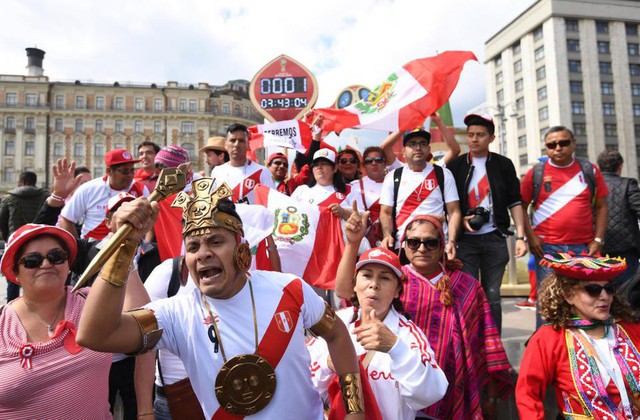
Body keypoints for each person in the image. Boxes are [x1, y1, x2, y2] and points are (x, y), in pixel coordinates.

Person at [76, 178, 366, 419]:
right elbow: (96, 335)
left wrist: (354, 410)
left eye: (216, 242)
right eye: (193, 246)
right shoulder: (175, 314)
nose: (203, 253)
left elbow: (338, 335)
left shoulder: (291, 289)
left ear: (241, 249)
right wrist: (125, 248)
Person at [338, 214, 513, 419]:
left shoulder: (467, 287)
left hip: (454, 388)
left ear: (441, 246)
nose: (421, 248)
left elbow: (485, 340)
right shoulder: (393, 279)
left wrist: (490, 397)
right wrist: (353, 242)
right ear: (403, 245)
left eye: (430, 242)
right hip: (399, 385)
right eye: (413, 242)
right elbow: (345, 291)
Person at [0, 207, 153, 417]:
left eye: (56, 256)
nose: (46, 264)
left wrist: (125, 244)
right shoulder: (2, 325)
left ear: (68, 265)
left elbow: (142, 317)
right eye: (32, 261)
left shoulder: (91, 302)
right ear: (15, 273)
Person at [309, 205, 448, 419]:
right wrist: (328, 363)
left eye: (384, 278)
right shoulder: (336, 324)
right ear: (354, 284)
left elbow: (432, 392)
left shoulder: (407, 335)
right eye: (366, 276)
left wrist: (394, 347)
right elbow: (303, 384)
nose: (374, 285)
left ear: (397, 291)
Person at [515, 252, 639, 418]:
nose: (604, 297)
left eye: (609, 289)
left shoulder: (630, 330)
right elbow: (528, 395)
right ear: (568, 295)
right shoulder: (549, 338)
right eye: (593, 290)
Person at [447, 113, 528, 332]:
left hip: (495, 237)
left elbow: (515, 201)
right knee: (468, 295)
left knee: (492, 296)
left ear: (491, 138)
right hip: (466, 242)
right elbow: (449, 204)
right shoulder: (457, 166)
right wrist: (459, 220)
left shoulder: (503, 165)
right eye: (471, 135)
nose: (474, 139)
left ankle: (495, 350)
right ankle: (472, 346)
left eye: (480, 135)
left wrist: (521, 236)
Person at [521, 126, 609, 327]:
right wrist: (531, 237)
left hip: (583, 247)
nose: (557, 148)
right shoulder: (536, 173)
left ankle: (582, 348)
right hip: (546, 248)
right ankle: (546, 347)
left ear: (573, 143)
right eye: (551, 145)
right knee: (548, 302)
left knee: (584, 300)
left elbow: (602, 206)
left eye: (563, 143)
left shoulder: (589, 170)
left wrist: (598, 239)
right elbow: (521, 207)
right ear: (546, 148)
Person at [379, 129, 461, 260]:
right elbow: (385, 212)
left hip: (436, 244)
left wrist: (451, 241)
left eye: (422, 143)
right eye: (412, 144)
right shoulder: (394, 176)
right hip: (404, 245)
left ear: (429, 149)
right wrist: (387, 235)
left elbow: (454, 211)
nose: (418, 147)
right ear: (403, 151)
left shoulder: (443, 174)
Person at [59, 148, 146, 240]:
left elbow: (150, 223)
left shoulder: (141, 189)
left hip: (129, 249)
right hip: (93, 249)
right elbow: (66, 220)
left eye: (132, 170)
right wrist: (78, 248)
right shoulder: (88, 189)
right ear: (109, 171)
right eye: (125, 171)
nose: (130, 175)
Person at [0, 171, 48, 302]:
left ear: (23, 182)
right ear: (34, 181)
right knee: (40, 272)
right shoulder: (45, 196)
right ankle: (39, 302)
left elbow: (2, 222)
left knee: (14, 276)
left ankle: (12, 306)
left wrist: (7, 238)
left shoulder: (9, 198)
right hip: (40, 241)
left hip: (16, 242)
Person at [597, 150, 640, 285]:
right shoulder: (628, 184)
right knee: (627, 293)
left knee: (601, 291)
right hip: (625, 249)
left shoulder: (592, 186)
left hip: (597, 248)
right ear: (620, 166)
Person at [211, 123, 275, 204]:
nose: (236, 145)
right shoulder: (217, 171)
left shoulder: (262, 172)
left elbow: (272, 203)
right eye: (232, 140)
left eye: (241, 141)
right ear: (226, 145)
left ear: (248, 145)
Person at [292, 148, 357, 220]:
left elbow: (362, 216)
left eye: (324, 164)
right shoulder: (301, 190)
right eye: (316, 165)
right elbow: (289, 212)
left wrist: (344, 212)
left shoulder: (349, 190)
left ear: (335, 168)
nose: (319, 167)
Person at [351, 146, 388, 247]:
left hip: (391, 238)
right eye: (369, 161)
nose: (374, 163)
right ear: (364, 165)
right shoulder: (355, 186)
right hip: (366, 240)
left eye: (378, 160)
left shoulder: (395, 183)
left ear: (385, 163)